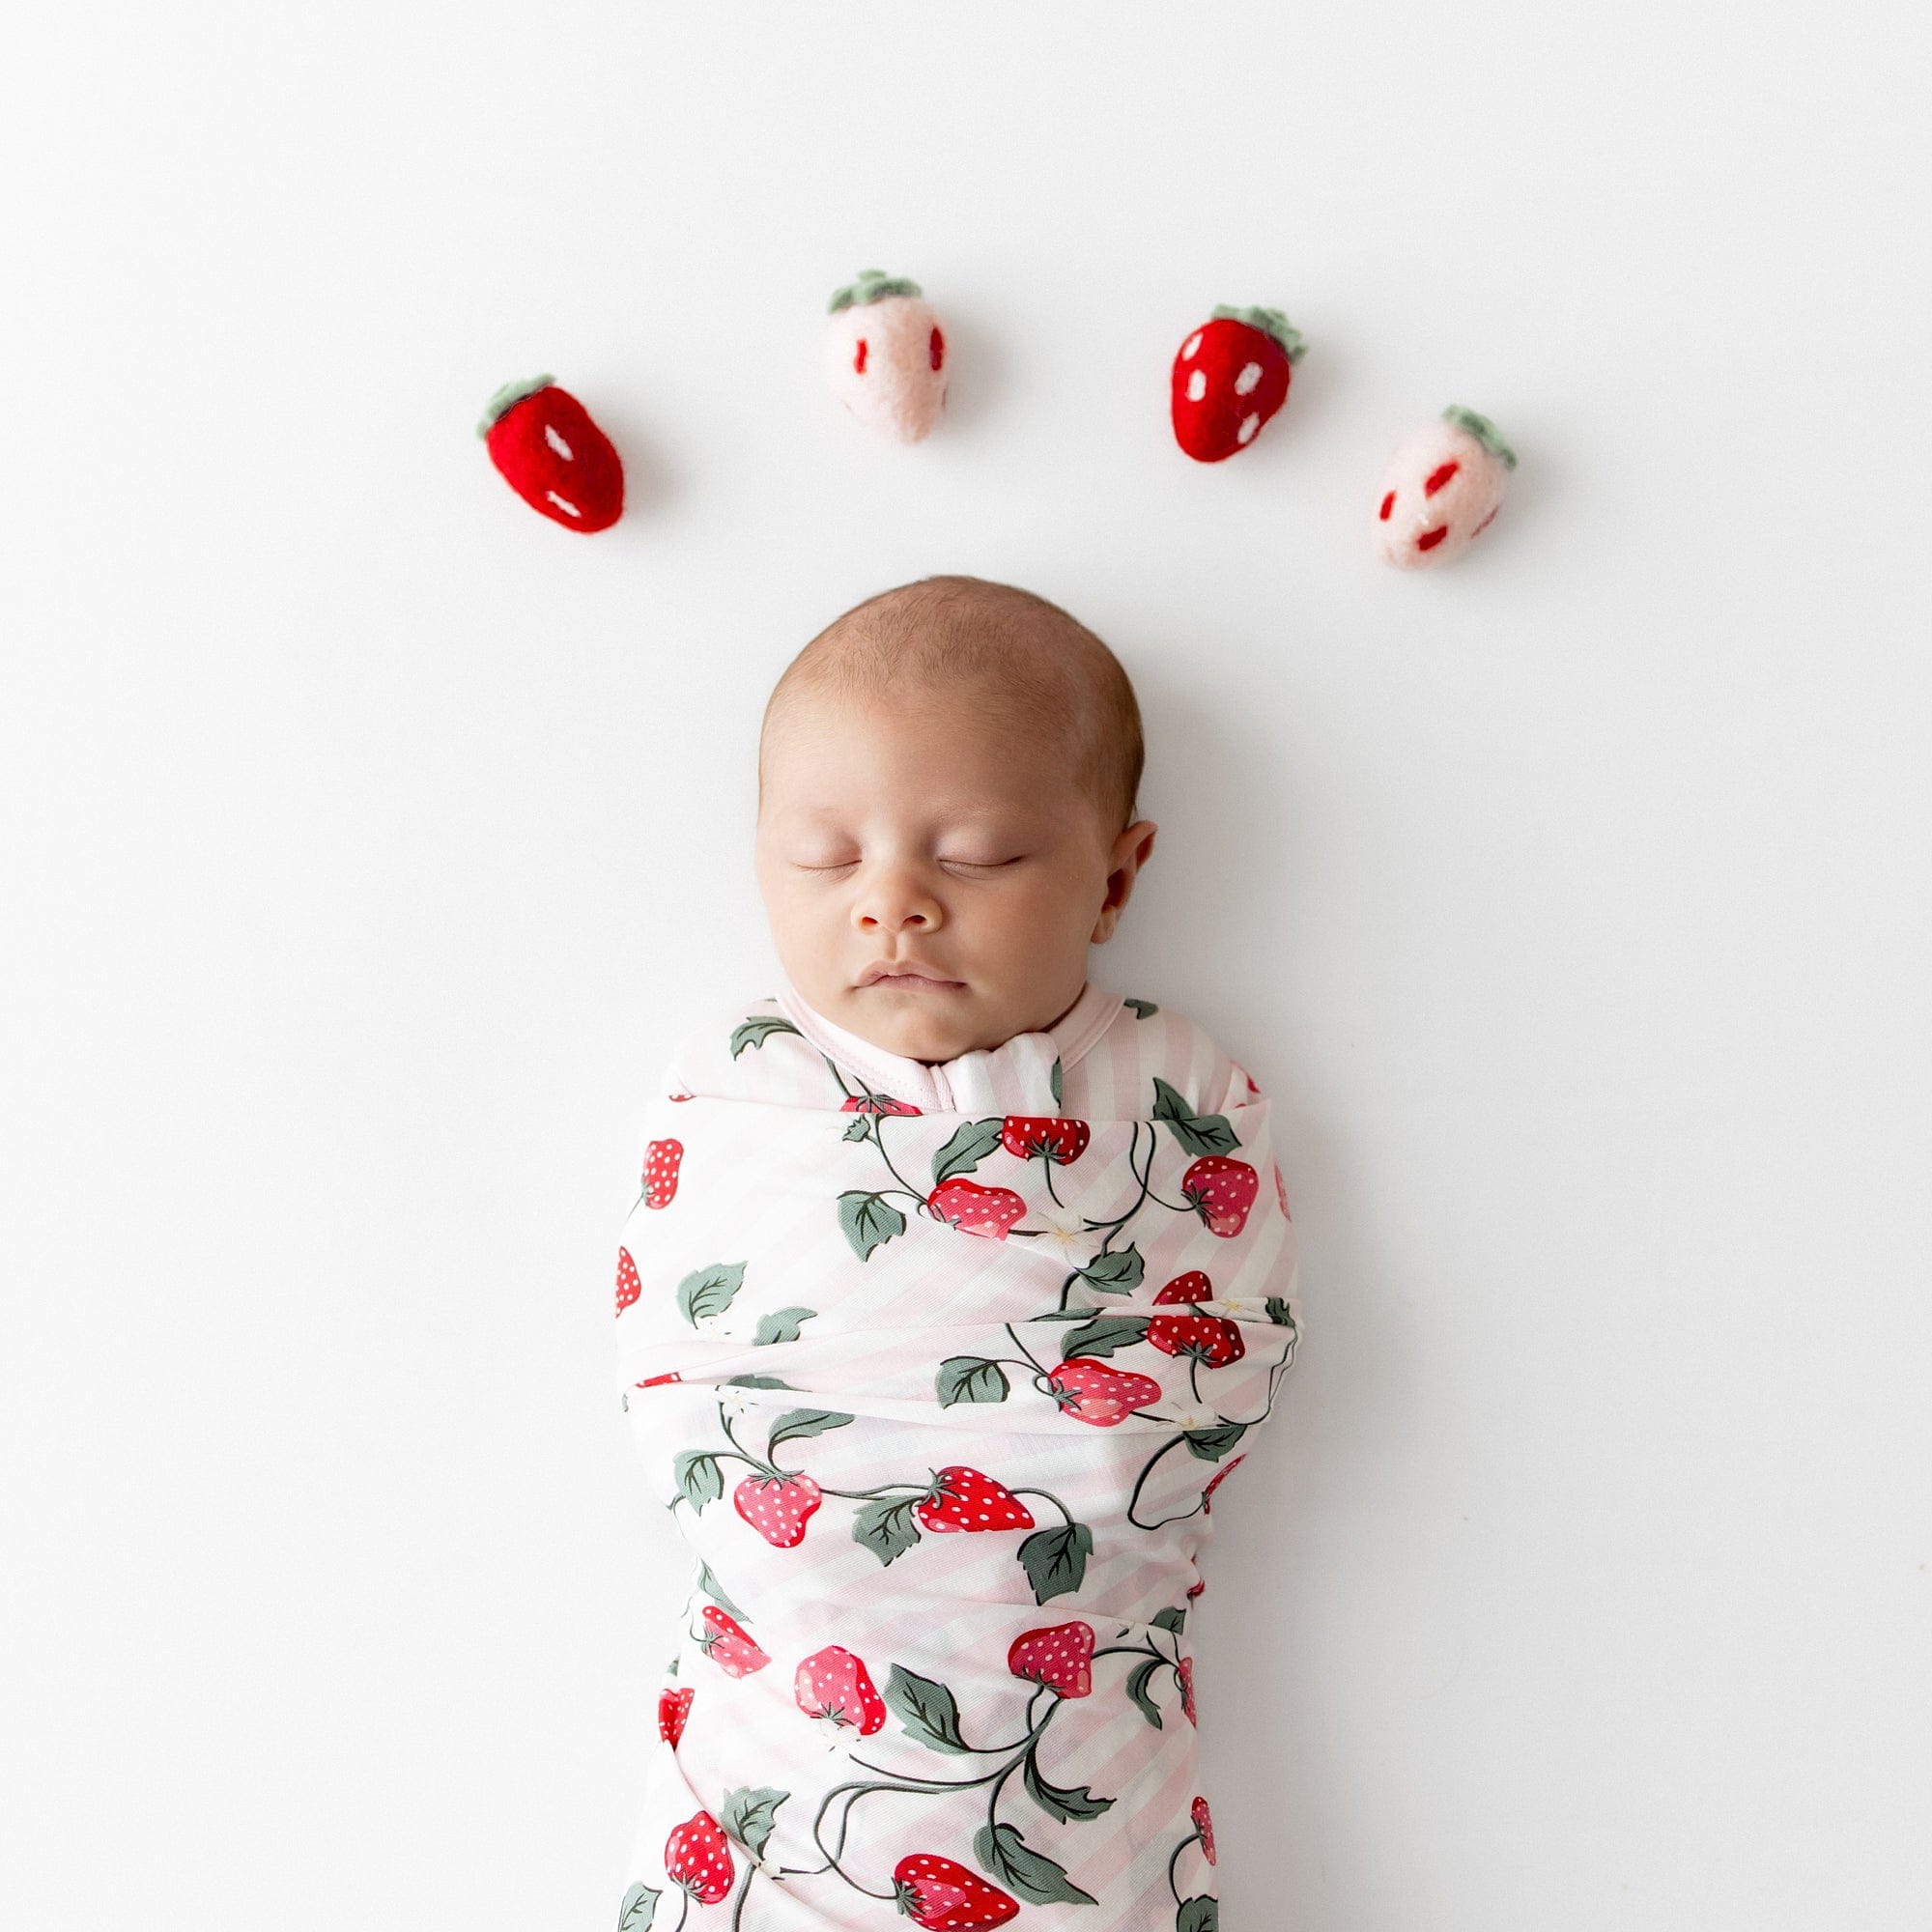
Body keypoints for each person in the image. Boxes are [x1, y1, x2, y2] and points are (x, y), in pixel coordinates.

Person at [611, 575, 1301, 1931]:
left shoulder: (1178, 1089)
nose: (894, 904)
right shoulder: (737, 1084)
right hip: (778, 1692)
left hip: (1067, 1704)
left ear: (1115, 874)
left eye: (976, 854)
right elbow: (680, 1372)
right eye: (825, 856)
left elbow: (1214, 1372)